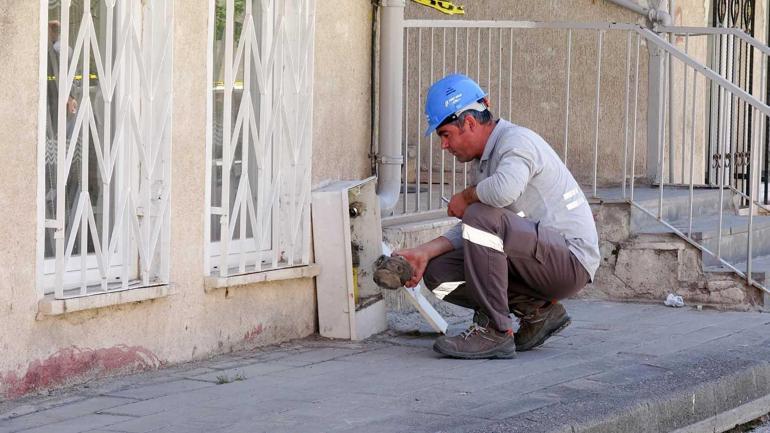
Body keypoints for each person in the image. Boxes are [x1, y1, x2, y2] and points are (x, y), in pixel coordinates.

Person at [395, 74, 600, 359]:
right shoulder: (484, 163)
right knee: (439, 275)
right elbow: (481, 227)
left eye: (445, 135)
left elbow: (501, 194)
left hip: (569, 261)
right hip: (534, 260)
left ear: (468, 123)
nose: (443, 146)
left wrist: (467, 197)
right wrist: (424, 252)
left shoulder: (517, 142)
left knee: (479, 213)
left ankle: (495, 331)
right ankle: (537, 311)